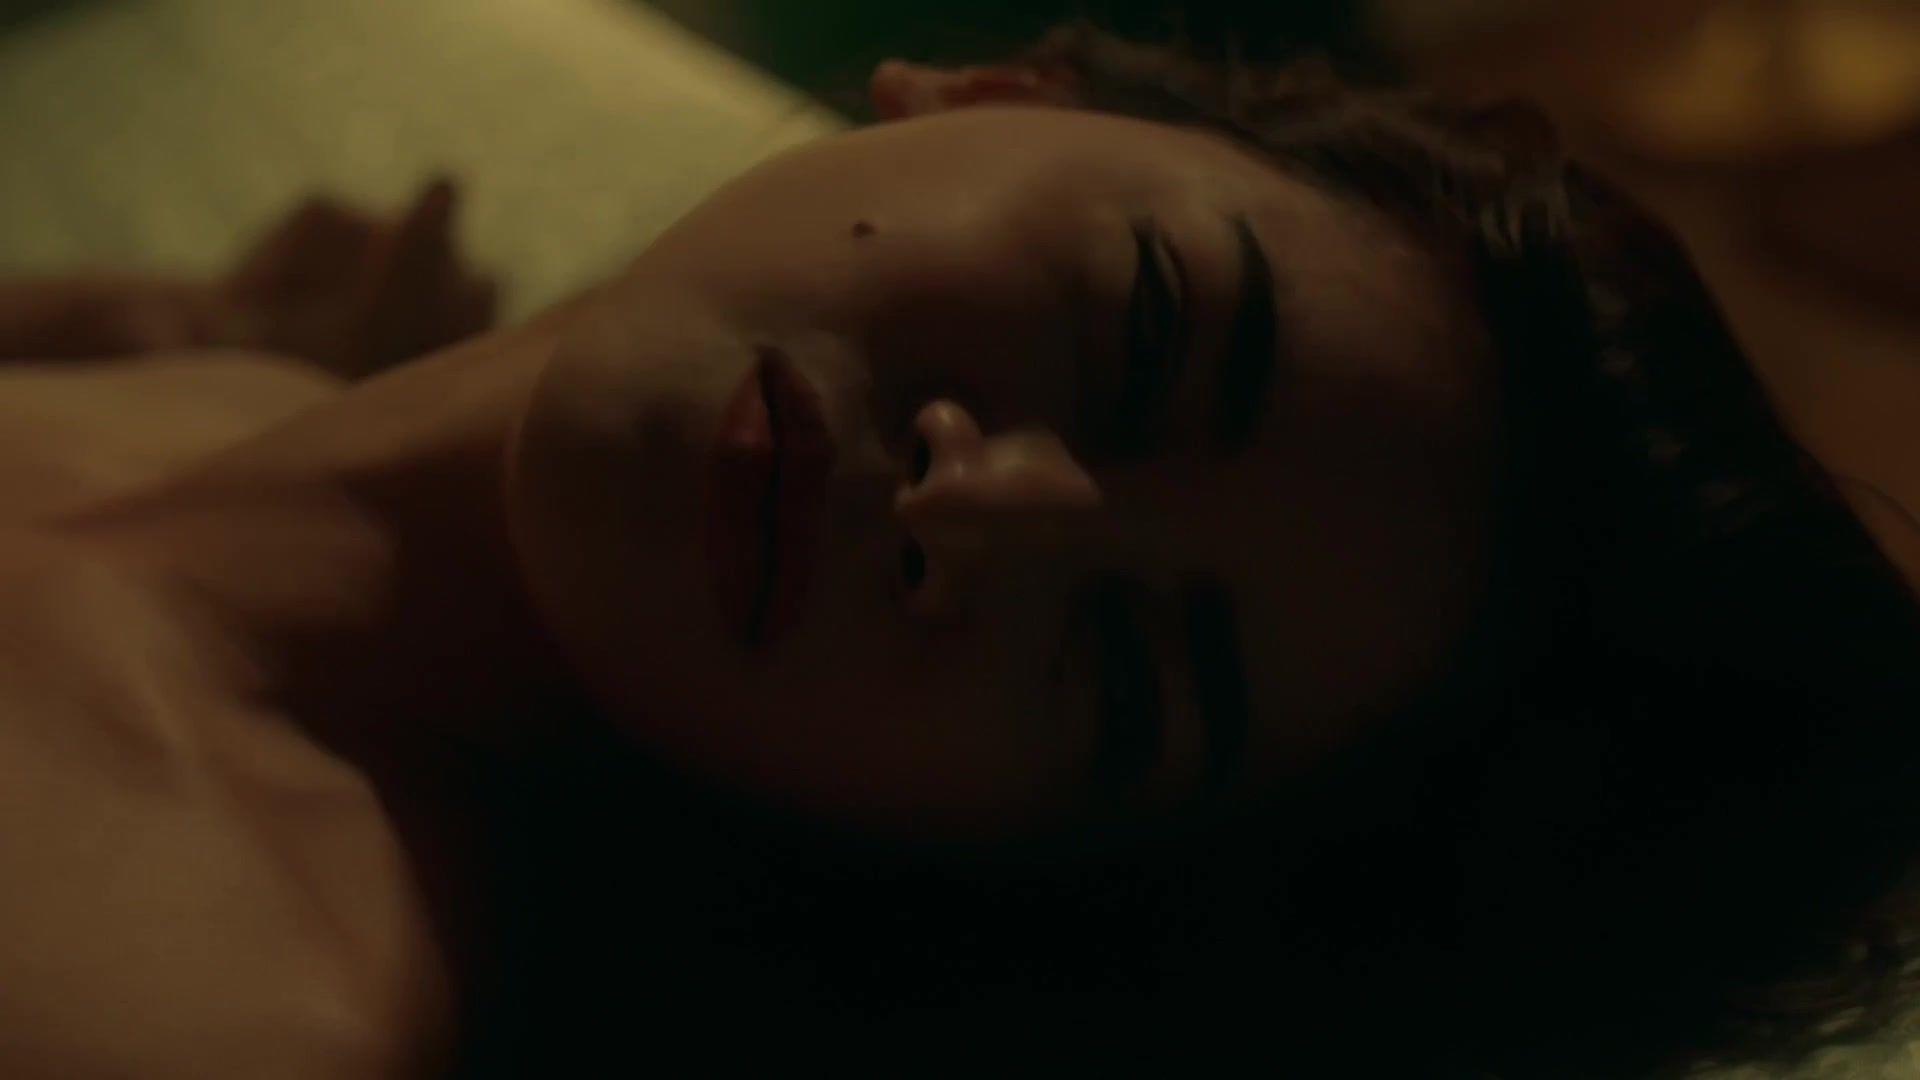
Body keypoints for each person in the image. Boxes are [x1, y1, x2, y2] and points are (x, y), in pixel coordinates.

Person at [0, 23, 1915, 1078]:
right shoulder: (194, 376)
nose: (978, 506)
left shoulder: (221, 1011)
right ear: (997, 91)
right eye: (1141, 330)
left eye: (1124, 676)